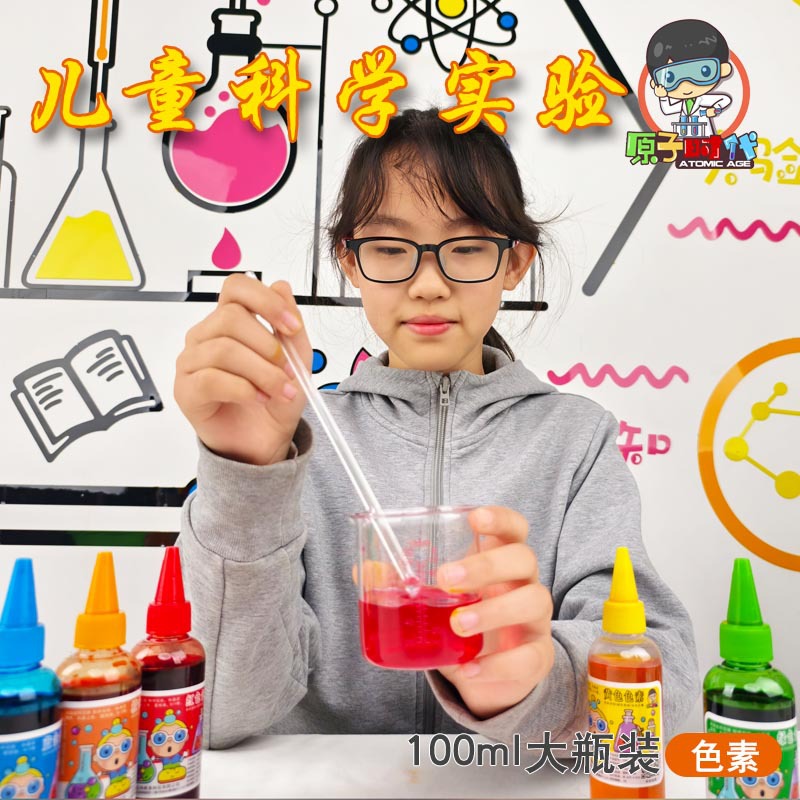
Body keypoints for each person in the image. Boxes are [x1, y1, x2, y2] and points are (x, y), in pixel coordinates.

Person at [174, 107, 699, 750]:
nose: (428, 285)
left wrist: (542, 679)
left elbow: (665, 687)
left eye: (468, 248)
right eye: (390, 249)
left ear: (514, 262)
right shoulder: (297, 443)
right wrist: (248, 479)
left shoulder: (575, 440)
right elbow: (222, 711)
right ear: (349, 260)